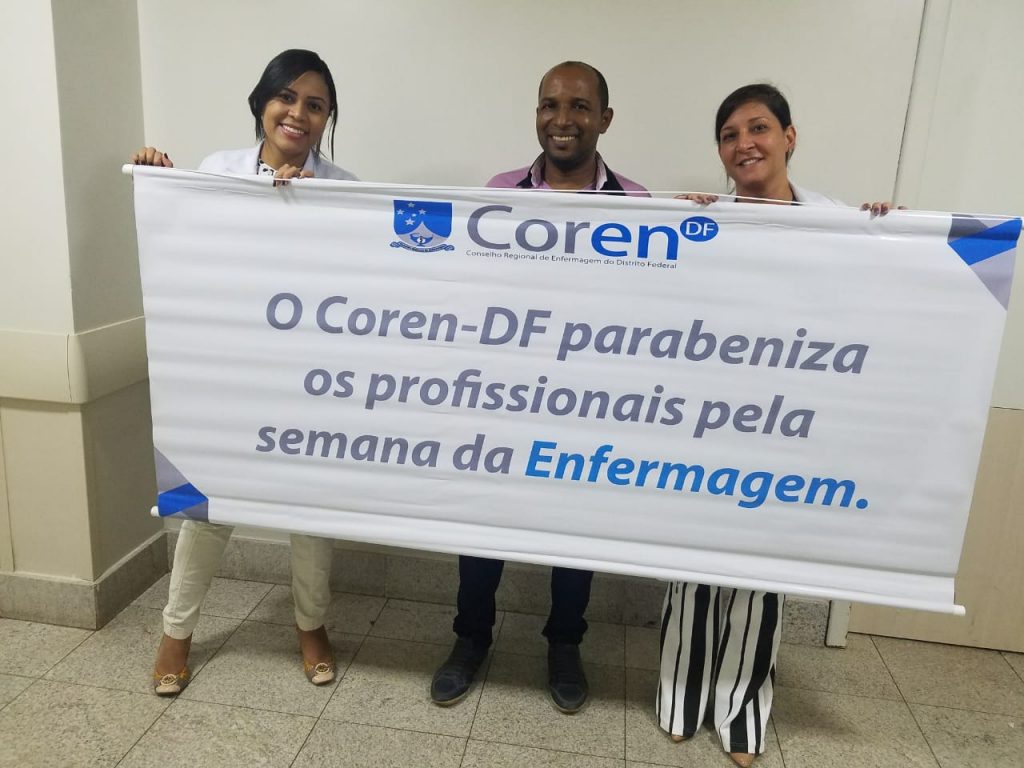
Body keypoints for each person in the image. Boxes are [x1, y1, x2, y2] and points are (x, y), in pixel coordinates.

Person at [659, 83, 898, 767]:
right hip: (705, 422)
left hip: (787, 426)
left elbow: (880, 302)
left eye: (758, 128)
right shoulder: (706, 223)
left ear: (789, 137)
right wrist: (673, 229)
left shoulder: (837, 224)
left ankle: (740, 711)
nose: (745, 144)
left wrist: (895, 233)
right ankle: (679, 695)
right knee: (689, 561)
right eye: (729, 135)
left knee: (761, 572)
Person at [130, 48, 357, 696]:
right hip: (229, 375)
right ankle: (176, 634)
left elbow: (356, 289)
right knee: (205, 509)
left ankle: (311, 627)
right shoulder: (217, 171)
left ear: (327, 119)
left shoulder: (344, 189)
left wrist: (314, 213)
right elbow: (189, 254)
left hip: (307, 380)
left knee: (310, 513)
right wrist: (159, 184)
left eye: (316, 105)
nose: (298, 113)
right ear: (261, 102)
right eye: (287, 97)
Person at [430, 61, 648, 714]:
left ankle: (565, 644)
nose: (562, 119)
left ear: (605, 119)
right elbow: (471, 293)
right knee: (483, 525)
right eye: (550, 104)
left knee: (575, 530)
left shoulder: (640, 205)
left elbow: (652, 307)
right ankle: (471, 637)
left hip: (589, 403)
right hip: (504, 399)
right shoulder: (500, 193)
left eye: (579, 106)